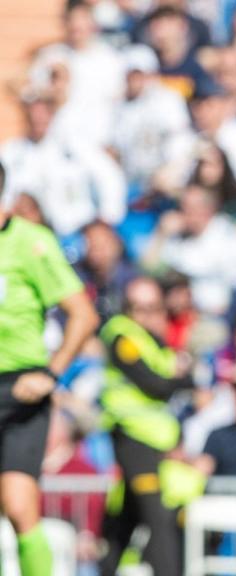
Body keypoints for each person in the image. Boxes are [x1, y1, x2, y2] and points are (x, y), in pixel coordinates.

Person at [0, 160, 99, 576]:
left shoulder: (32, 242)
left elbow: (83, 315)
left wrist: (50, 374)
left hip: (19, 389)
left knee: (19, 506)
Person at [98, 276, 193, 576]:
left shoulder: (156, 341)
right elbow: (155, 384)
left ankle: (103, 570)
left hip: (154, 441)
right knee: (158, 518)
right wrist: (179, 380)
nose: (145, 315)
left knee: (126, 519)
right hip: (134, 439)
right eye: (137, 308)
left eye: (152, 307)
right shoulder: (122, 336)